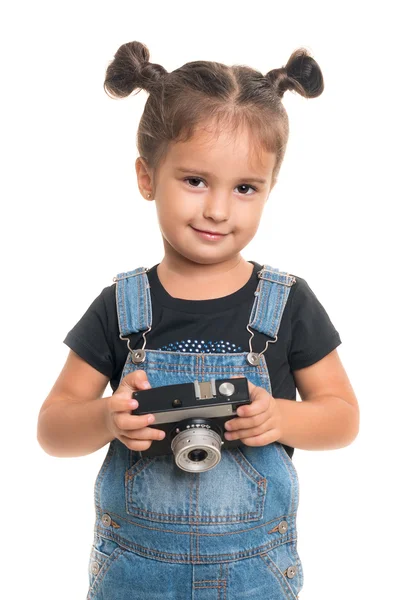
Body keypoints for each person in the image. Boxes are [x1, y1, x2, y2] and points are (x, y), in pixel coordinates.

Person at [37, 40, 360, 600]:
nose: (217, 209)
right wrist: (108, 419)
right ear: (147, 177)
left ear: (269, 192)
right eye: (194, 181)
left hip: (255, 576)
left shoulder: (287, 304)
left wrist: (280, 419)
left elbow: (343, 418)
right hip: (134, 576)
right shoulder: (121, 306)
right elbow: (52, 429)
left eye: (244, 189)